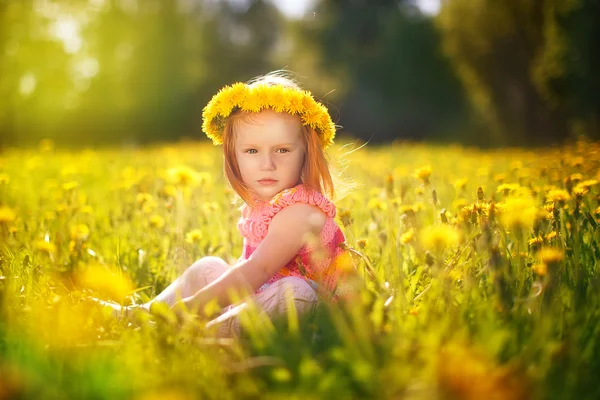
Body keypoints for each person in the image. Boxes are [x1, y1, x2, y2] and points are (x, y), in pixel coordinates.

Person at [99, 72, 355, 337]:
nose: (267, 164)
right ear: (234, 155)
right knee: (208, 267)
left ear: (306, 152)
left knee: (297, 292)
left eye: (282, 150)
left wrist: (190, 307)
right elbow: (249, 270)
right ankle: (143, 314)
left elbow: (259, 270)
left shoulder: (300, 210)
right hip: (268, 303)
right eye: (252, 151)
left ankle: (193, 333)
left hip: (322, 321)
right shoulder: (264, 207)